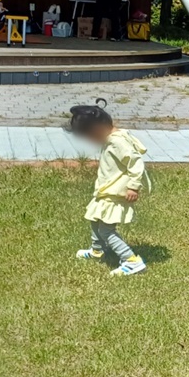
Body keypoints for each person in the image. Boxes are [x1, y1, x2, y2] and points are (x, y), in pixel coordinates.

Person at [69, 102, 150, 276]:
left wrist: (134, 186)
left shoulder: (117, 143)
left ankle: (131, 261)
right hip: (105, 191)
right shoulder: (113, 138)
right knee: (95, 219)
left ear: (97, 130)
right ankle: (97, 250)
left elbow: (135, 162)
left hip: (114, 194)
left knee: (106, 230)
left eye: (89, 137)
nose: (90, 141)